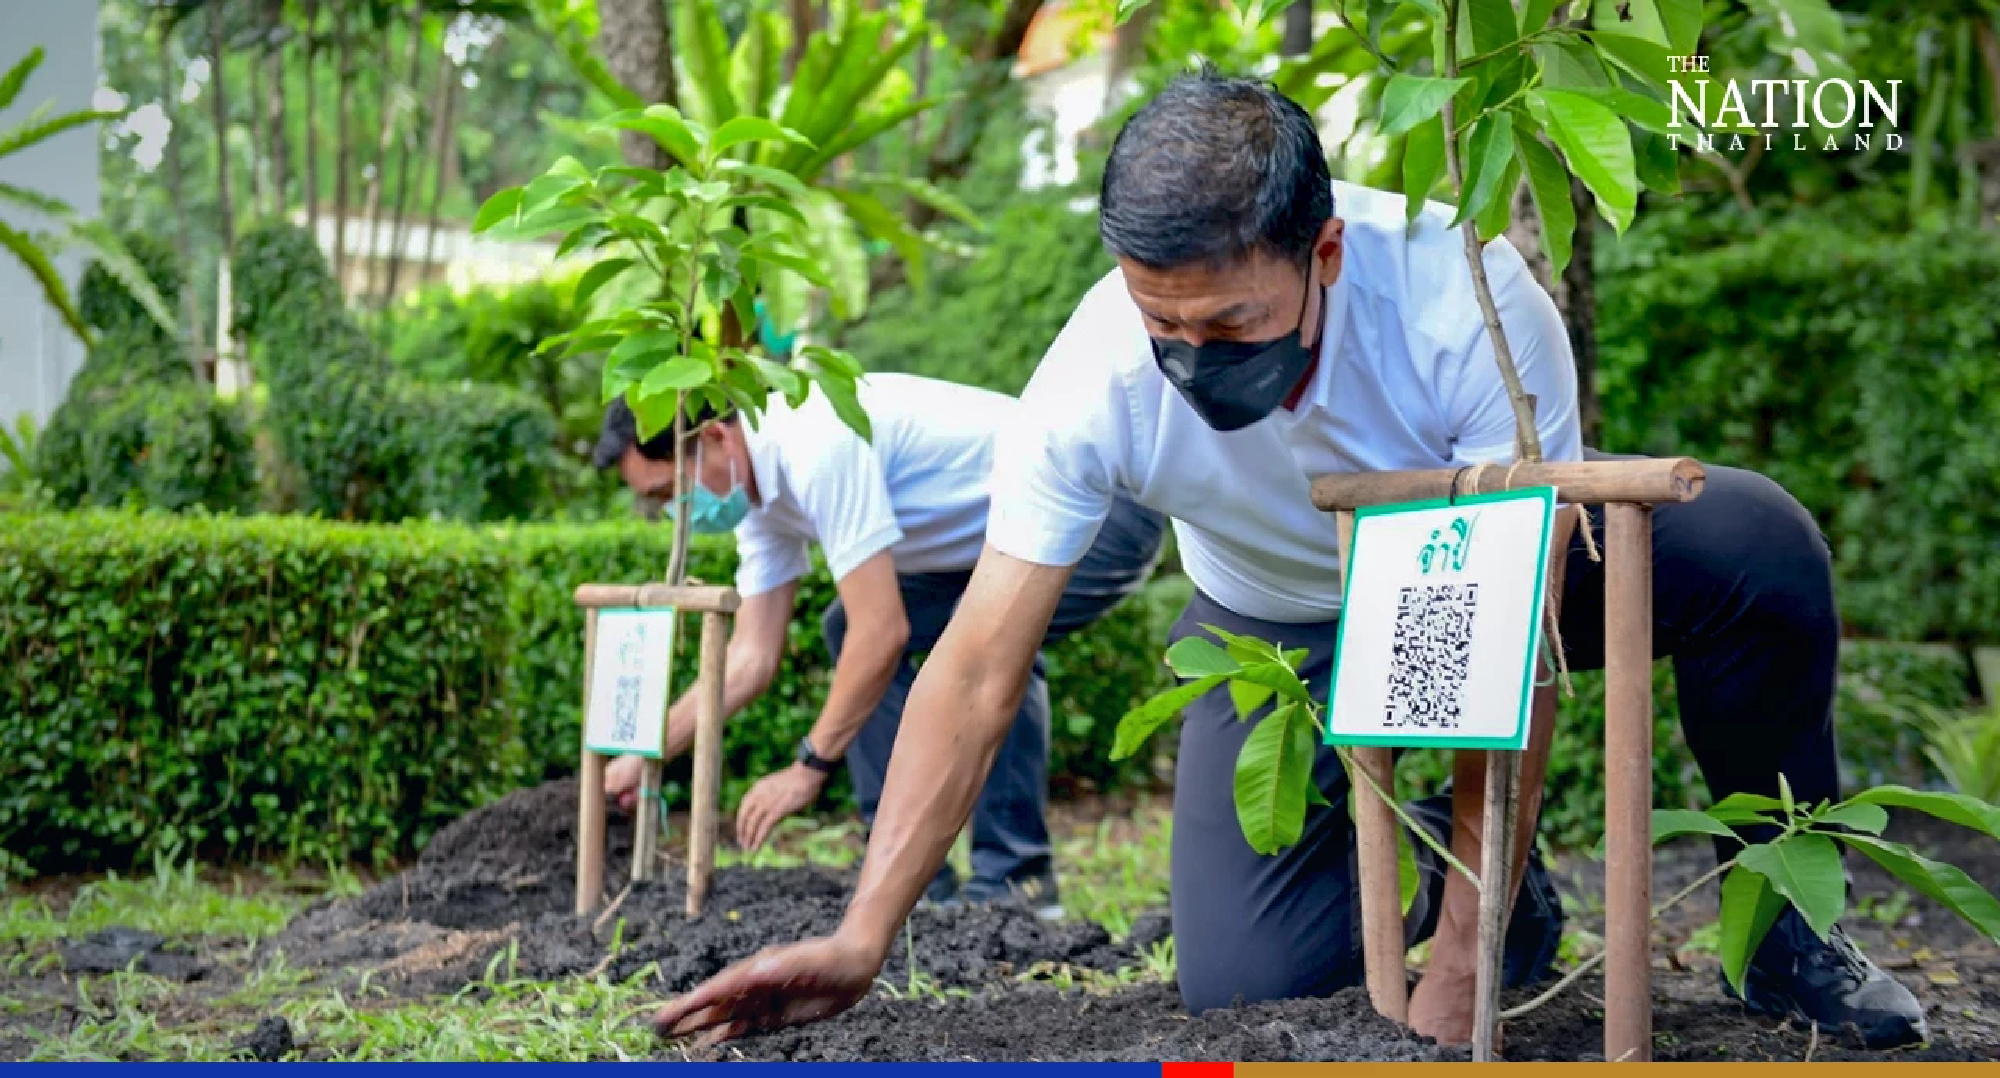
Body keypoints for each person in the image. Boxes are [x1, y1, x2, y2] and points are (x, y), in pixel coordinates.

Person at [648, 71, 1929, 1050]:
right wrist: (864, 932)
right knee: (1243, 990)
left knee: (1751, 543)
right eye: (1166, 325)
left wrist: (1458, 969)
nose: (1195, 356)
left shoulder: (1459, 298)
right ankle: (1473, 865)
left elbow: (1512, 642)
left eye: (1231, 323)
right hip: (1275, 626)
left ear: (1321, 254)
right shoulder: (1090, 375)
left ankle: (1784, 934)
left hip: (1464, 570)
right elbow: (979, 659)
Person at [590, 372, 1167, 918]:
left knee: (994, 646)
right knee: (857, 629)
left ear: (715, 437)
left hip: (1099, 514)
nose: (675, 512)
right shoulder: (757, 498)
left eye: (670, 491)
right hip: (1006, 543)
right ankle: (917, 881)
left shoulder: (814, 439)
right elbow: (750, 658)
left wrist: (809, 765)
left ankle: (1017, 883)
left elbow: (882, 632)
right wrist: (647, 755)